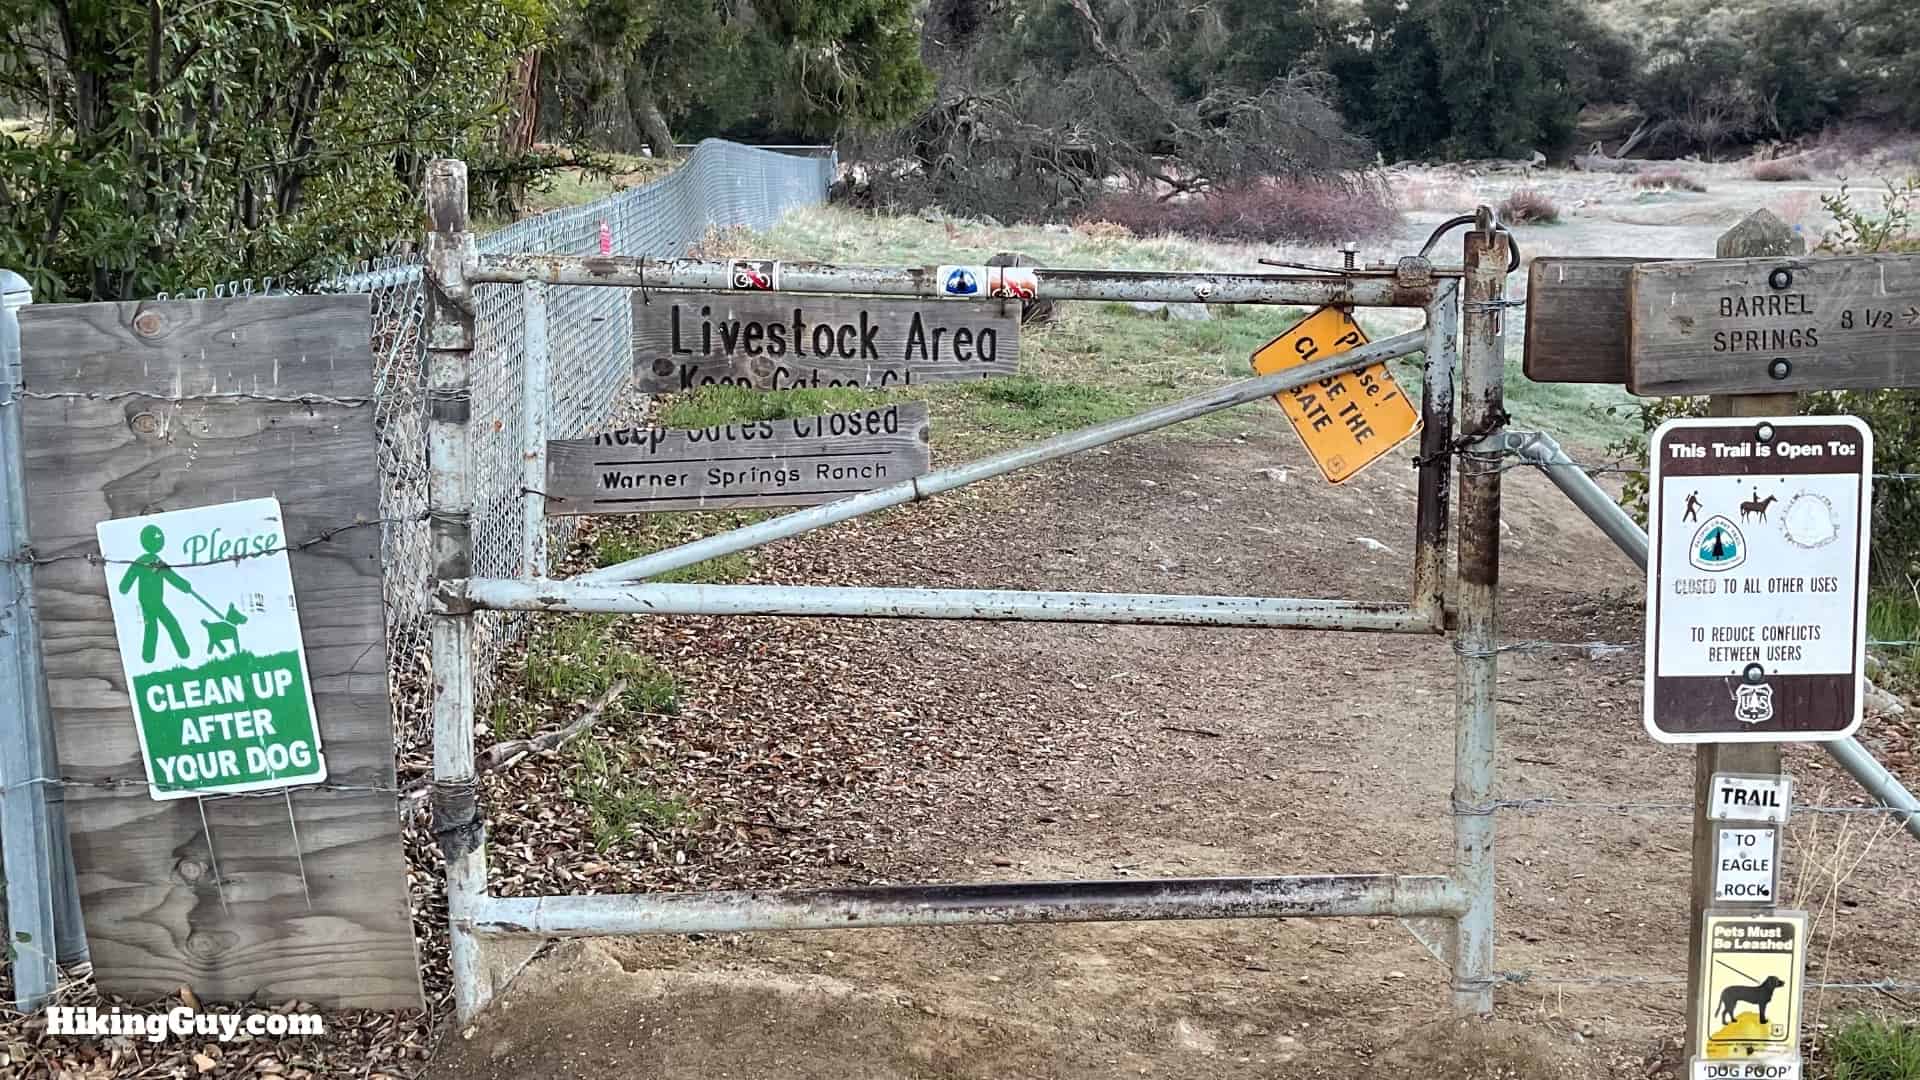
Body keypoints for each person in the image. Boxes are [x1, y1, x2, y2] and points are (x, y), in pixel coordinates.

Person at [118, 524, 191, 663]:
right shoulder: (141, 562)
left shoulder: (157, 563)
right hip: (147, 602)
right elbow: (125, 584)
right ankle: (155, 656)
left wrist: (185, 586)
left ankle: (158, 655)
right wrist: (184, 586)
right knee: (158, 626)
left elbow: (172, 577)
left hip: (156, 602)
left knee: (161, 625)